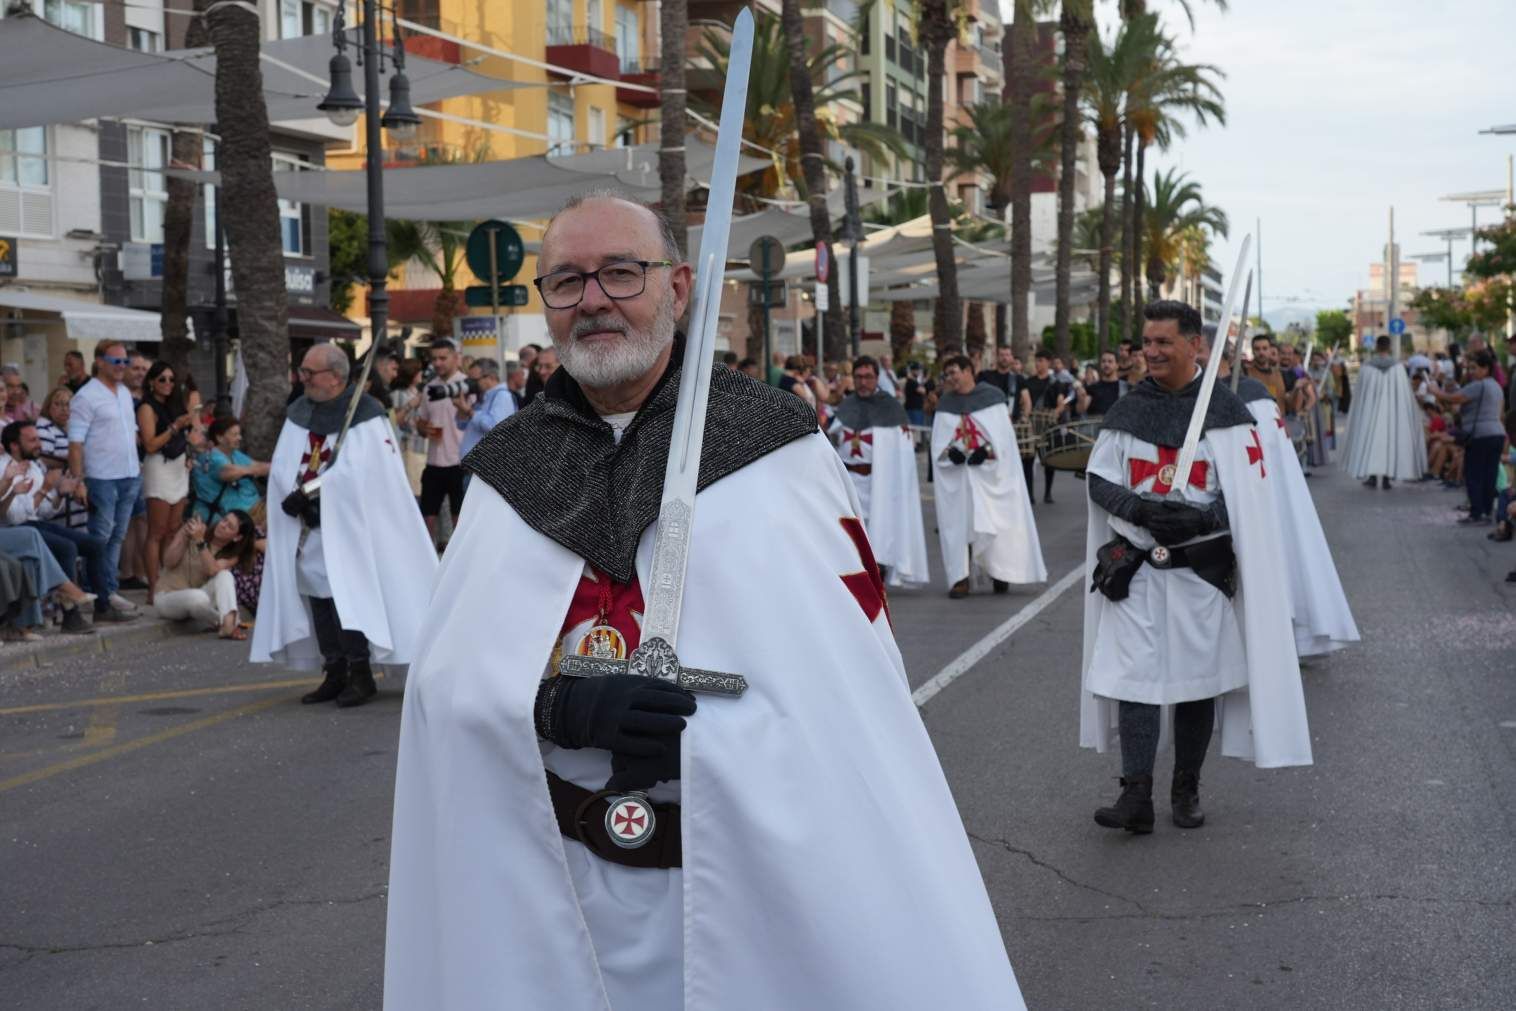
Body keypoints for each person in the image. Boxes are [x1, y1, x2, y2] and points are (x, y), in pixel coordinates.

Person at [385, 191, 1026, 1010]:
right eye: (568, 281)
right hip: (551, 884)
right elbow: (444, 684)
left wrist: (709, 738)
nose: (594, 301)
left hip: (743, 891)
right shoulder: (508, 473)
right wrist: (559, 711)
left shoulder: (770, 445)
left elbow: (844, 688)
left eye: (621, 273)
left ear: (679, 287)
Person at [1081, 300, 1311, 834]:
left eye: (1164, 342)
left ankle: (1185, 788)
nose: (1152, 352)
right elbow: (1099, 478)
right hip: (1135, 570)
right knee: (1134, 680)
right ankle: (1134, 795)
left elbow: (1253, 497)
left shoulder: (1229, 416)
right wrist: (1136, 508)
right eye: (1148, 342)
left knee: (1195, 683)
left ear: (1196, 346)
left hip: (1198, 572)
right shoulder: (1128, 412)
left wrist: (1204, 516)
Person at [251, 342, 437, 708]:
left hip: (350, 530)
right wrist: (288, 490)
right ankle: (334, 671)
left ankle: (360, 673)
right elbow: (288, 460)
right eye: (301, 371)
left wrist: (313, 490)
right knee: (319, 599)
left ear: (336, 377)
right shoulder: (300, 412)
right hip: (309, 529)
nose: (301, 378)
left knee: (346, 598)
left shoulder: (366, 415)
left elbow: (368, 474)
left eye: (309, 373)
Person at [1209, 342, 1359, 659]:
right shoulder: (1205, 393)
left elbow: (1266, 454)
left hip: (1255, 496)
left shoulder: (1250, 393)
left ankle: (1283, 641)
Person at [931, 354, 1046, 599]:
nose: (950, 378)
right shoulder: (946, 404)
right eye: (947, 374)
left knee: (995, 520)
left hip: (990, 474)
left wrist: (986, 452)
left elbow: (1004, 440)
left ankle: (999, 571)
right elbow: (939, 443)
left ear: (968, 371)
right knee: (958, 524)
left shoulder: (992, 399)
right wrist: (950, 454)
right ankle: (960, 578)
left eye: (953, 372)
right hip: (959, 476)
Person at [827, 355, 929, 587]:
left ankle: (878, 572)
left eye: (868, 377)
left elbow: (902, 450)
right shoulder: (846, 406)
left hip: (878, 481)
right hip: (847, 482)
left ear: (877, 378)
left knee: (878, 531)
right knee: (850, 533)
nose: (863, 382)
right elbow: (830, 439)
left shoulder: (891, 409)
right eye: (859, 377)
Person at [65, 341, 140, 623]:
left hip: (129, 475)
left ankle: (108, 591)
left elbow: (129, 432)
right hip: (102, 477)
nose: (122, 367)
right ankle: (101, 596)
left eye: (125, 362)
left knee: (117, 536)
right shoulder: (86, 397)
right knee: (101, 537)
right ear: (100, 362)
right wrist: (79, 480)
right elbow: (75, 444)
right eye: (116, 361)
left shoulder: (123, 393)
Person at [1, 423, 99, 634]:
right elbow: (15, 517)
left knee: (95, 544)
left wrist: (59, 493)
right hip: (17, 526)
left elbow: (46, 512)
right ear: (14, 445)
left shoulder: (35, 467)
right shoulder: (4, 467)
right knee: (64, 547)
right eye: (32, 440)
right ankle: (71, 611)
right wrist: (44, 488)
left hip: (35, 523)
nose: (39, 445)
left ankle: (103, 605)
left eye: (38, 439)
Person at [136, 361, 195, 604]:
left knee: (173, 529)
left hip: (178, 466)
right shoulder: (146, 408)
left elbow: (185, 437)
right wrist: (174, 427)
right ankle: (153, 586)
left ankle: (169, 581)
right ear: (151, 381)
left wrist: (189, 453)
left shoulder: (174, 405)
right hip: (158, 466)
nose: (168, 384)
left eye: (171, 379)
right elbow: (149, 444)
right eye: (162, 379)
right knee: (157, 531)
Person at [154, 510, 259, 639]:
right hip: (167, 598)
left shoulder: (230, 556)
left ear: (237, 537)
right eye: (224, 520)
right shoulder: (196, 531)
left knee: (224, 576)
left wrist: (199, 541)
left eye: (229, 526)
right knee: (198, 597)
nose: (222, 525)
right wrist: (184, 535)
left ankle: (227, 625)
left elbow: (212, 569)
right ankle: (229, 623)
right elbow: (168, 562)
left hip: (199, 602)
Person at [1430, 349, 1505, 525]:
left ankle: (1476, 513)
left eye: (1473, 368)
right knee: (1489, 475)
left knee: (1474, 475)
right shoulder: (1496, 387)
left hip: (1480, 436)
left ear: (1485, 368)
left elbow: (1454, 398)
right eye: (1469, 368)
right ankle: (1487, 512)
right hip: (1497, 434)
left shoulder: (1478, 385)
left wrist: (1435, 391)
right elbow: (1499, 413)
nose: (1470, 372)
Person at [1340, 336, 1425, 490]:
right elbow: (1404, 395)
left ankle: (1372, 477)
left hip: (1370, 413)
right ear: (1389, 347)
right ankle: (1386, 478)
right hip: (1392, 414)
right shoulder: (1398, 368)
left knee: (1371, 442)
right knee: (1389, 442)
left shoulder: (1367, 367)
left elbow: (1360, 395)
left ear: (1377, 347)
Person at [414, 338, 471, 546]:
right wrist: (421, 427)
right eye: (434, 359)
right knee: (428, 516)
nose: (437, 363)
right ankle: (429, 561)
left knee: (461, 519)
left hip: (460, 462)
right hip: (434, 461)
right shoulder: (429, 387)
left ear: (456, 358)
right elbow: (421, 422)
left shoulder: (467, 384)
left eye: (442, 358)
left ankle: (460, 562)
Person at [191, 417, 268, 522]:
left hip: (253, 510)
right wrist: (254, 470)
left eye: (239, 434)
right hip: (228, 518)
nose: (240, 438)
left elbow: (258, 465)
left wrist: (278, 467)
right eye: (235, 435)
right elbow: (228, 472)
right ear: (220, 438)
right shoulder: (210, 456)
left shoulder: (234, 453)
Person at [35, 388, 90, 532]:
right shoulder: (43, 427)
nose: (64, 409)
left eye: (68, 405)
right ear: (48, 407)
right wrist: (74, 461)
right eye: (58, 404)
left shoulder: (73, 427)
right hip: (57, 491)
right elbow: (43, 458)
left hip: (77, 489)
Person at [1024, 349, 1073, 504]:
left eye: (1041, 361)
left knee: (1048, 459)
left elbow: (1060, 404)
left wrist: (1054, 414)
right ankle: (1029, 495)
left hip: (1048, 425)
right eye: (1036, 361)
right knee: (1028, 459)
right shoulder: (1029, 382)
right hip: (1032, 425)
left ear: (1048, 363)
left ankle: (1047, 493)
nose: (1038, 364)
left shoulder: (1055, 383)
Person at [454, 356, 516, 459]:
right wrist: (461, 408)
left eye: (474, 380)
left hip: (487, 469)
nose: (470, 384)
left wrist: (469, 411)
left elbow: (495, 428)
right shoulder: (484, 397)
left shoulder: (502, 396)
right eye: (468, 380)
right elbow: (462, 426)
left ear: (491, 377)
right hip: (473, 467)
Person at [1085, 350, 1126, 416]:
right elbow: (1081, 409)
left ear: (1117, 365)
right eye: (1103, 361)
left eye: (1110, 361)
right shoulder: (1092, 388)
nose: (1106, 364)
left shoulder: (1126, 388)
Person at [902, 361, 933, 427]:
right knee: (916, 429)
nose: (919, 371)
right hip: (913, 409)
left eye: (919, 369)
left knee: (918, 428)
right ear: (912, 371)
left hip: (917, 409)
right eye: (916, 369)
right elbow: (923, 391)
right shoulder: (911, 381)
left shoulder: (914, 381)